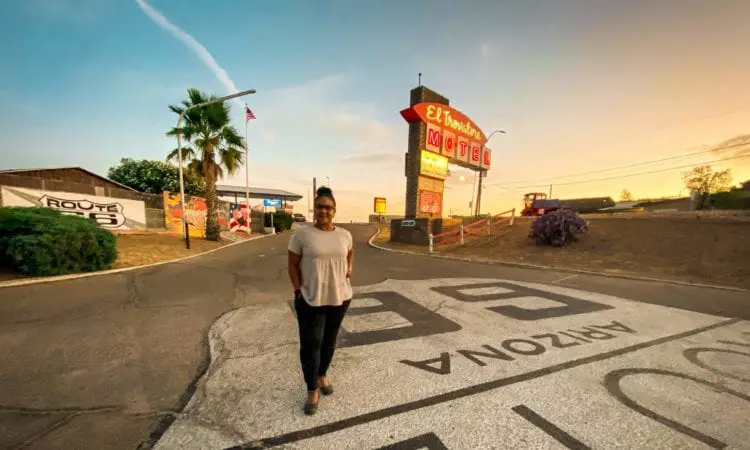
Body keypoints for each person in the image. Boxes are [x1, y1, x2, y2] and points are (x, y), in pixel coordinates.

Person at [287, 186, 354, 415]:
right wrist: (298, 291)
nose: (324, 211)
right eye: (320, 207)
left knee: (329, 342)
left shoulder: (344, 235)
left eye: (328, 207)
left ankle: (322, 374)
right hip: (310, 299)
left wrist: (349, 269)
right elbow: (292, 265)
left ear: (334, 210)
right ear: (314, 209)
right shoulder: (302, 234)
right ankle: (311, 389)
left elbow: (350, 253)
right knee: (310, 345)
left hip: (340, 298)